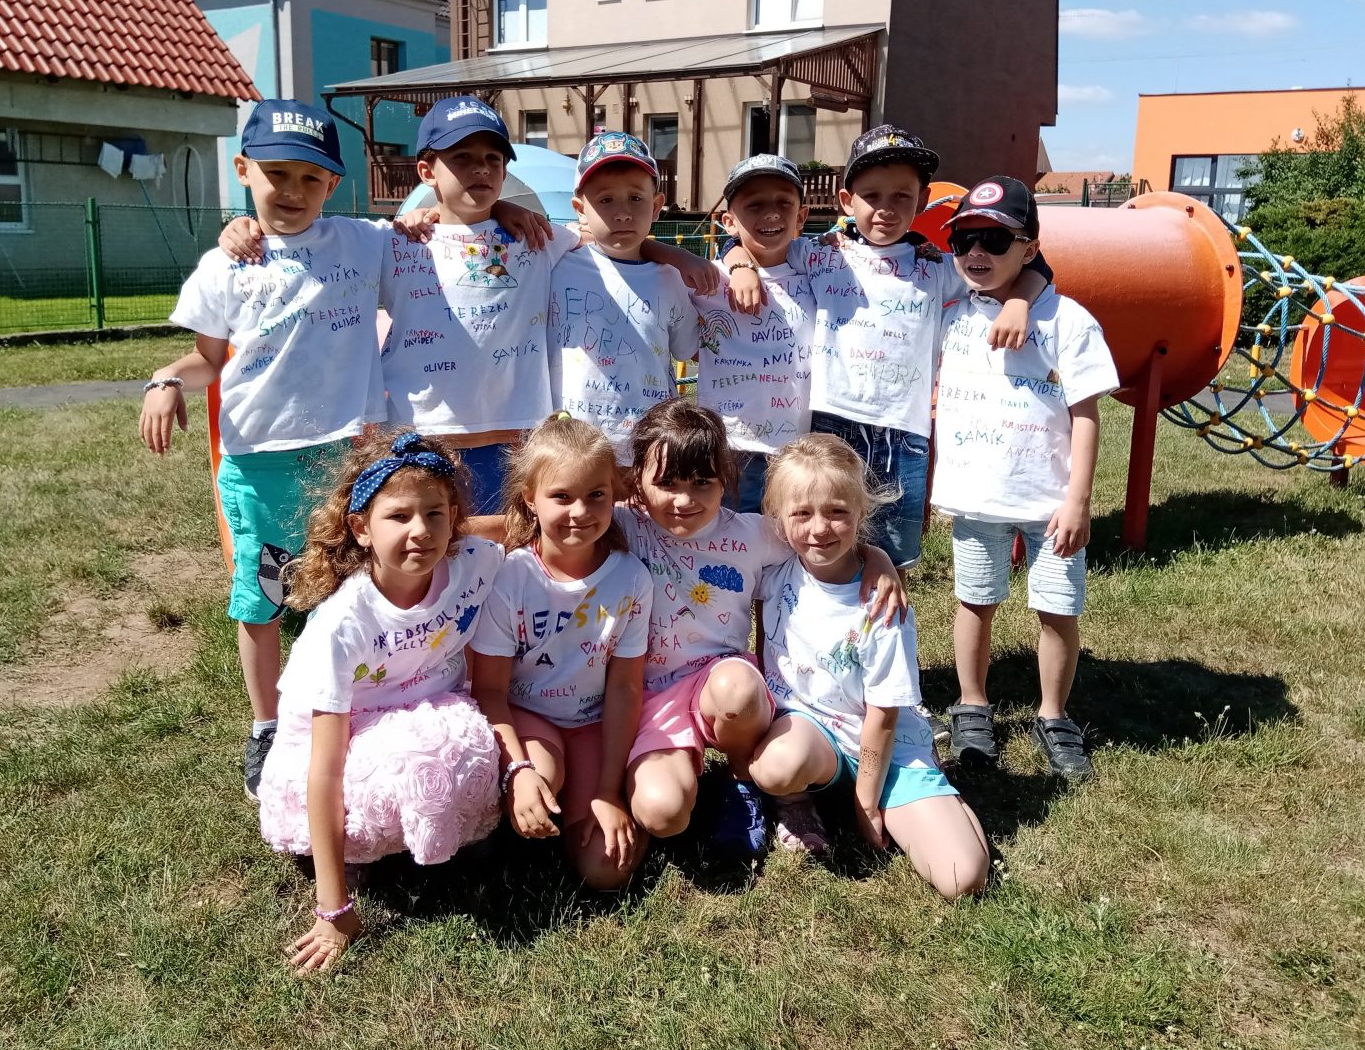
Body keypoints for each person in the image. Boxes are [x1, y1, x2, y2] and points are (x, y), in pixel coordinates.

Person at [220, 98, 717, 517]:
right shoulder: (397, 241)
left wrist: (679, 256)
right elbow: (312, 246)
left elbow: (616, 241)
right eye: (462, 158)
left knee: (509, 552)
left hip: (515, 438)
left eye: (492, 159)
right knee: (435, 551)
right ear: (426, 171)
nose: (480, 169)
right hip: (422, 435)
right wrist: (247, 227)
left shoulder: (538, 238)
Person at [139, 98, 395, 799]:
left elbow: (433, 220)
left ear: (334, 184)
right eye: (277, 173)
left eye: (311, 178)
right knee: (265, 597)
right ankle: (267, 726)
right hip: (259, 464)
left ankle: (348, 705)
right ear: (243, 169)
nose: (292, 191)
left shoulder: (362, 243)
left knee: (347, 588)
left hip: (347, 457)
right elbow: (207, 361)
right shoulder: (225, 266)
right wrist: (165, 379)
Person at [616, 399, 904, 864]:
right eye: (667, 484)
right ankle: (676, 777)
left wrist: (878, 558)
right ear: (637, 482)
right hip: (651, 699)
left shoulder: (753, 534)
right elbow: (544, 526)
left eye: (702, 482)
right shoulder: (624, 526)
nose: (685, 500)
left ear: (726, 478)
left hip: (722, 684)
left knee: (737, 688)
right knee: (662, 814)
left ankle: (744, 782)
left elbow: (821, 537)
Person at [257, 431, 504, 973]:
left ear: (454, 518)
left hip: (430, 711)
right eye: (399, 517)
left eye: (435, 514)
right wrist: (334, 909)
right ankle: (360, 855)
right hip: (347, 744)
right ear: (360, 528)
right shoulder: (342, 625)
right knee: (425, 755)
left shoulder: (476, 561)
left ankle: (455, 833)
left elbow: (524, 526)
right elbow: (325, 769)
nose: (421, 531)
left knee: (467, 736)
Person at [932, 177, 1119, 780]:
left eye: (994, 240)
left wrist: (1078, 500)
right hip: (976, 499)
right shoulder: (951, 309)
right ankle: (972, 705)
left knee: (1058, 609)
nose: (975, 252)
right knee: (974, 601)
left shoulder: (1068, 320)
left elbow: (1085, 415)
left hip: (1049, 503)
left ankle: (1054, 715)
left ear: (1030, 249)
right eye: (963, 239)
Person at [748, 434, 990, 898]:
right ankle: (797, 800)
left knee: (963, 878)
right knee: (776, 766)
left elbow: (884, 716)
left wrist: (866, 805)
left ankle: (928, 793)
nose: (819, 528)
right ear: (778, 519)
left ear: (862, 513)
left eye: (837, 511)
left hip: (886, 744)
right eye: (802, 513)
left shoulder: (882, 604)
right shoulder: (774, 566)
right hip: (811, 732)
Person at [802, 126, 1051, 570]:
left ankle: (890, 615)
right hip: (829, 422)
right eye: (871, 195)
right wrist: (739, 262)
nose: (886, 208)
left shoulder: (937, 268)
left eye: (902, 196)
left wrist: (1018, 302)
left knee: (894, 555)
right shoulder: (820, 256)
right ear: (846, 201)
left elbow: (1036, 264)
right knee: (823, 542)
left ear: (923, 200)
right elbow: (751, 246)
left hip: (904, 433)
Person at [469, 414, 653, 888]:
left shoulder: (632, 578)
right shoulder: (510, 577)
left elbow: (625, 687)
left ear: (615, 494)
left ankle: (580, 806)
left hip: (592, 723)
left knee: (605, 871)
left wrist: (609, 791)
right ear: (530, 497)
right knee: (543, 775)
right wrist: (519, 769)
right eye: (562, 496)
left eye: (596, 495)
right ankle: (497, 817)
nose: (580, 511)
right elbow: (489, 692)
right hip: (526, 719)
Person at [549, 133, 701, 463]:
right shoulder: (555, 267)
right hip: (573, 452)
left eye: (635, 198)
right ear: (580, 210)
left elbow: (691, 350)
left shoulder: (671, 278)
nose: (622, 213)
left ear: (656, 206)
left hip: (651, 450)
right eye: (606, 200)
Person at [691, 154, 818, 513]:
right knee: (732, 535)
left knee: (789, 535)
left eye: (784, 203)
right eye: (755, 204)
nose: (772, 213)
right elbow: (646, 256)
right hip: (732, 446)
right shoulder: (710, 279)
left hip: (797, 446)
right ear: (728, 221)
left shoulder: (820, 275)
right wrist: (738, 262)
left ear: (801, 216)